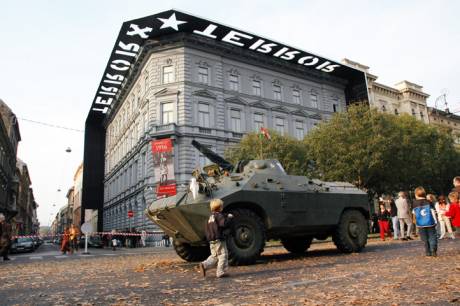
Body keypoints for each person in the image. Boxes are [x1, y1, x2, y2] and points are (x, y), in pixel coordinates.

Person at [199, 198, 233, 278]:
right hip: (219, 240)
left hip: (211, 241)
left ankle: (204, 265)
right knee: (223, 255)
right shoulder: (219, 216)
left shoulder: (210, 217)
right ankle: (220, 272)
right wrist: (229, 218)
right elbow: (224, 224)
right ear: (220, 207)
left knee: (215, 256)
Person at [412, 187, 438, 257]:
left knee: (424, 239)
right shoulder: (429, 202)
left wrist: (415, 222)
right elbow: (433, 212)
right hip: (430, 223)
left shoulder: (414, 203)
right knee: (432, 237)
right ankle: (433, 250)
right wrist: (435, 221)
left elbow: (414, 214)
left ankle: (428, 252)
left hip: (420, 224)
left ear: (416, 195)